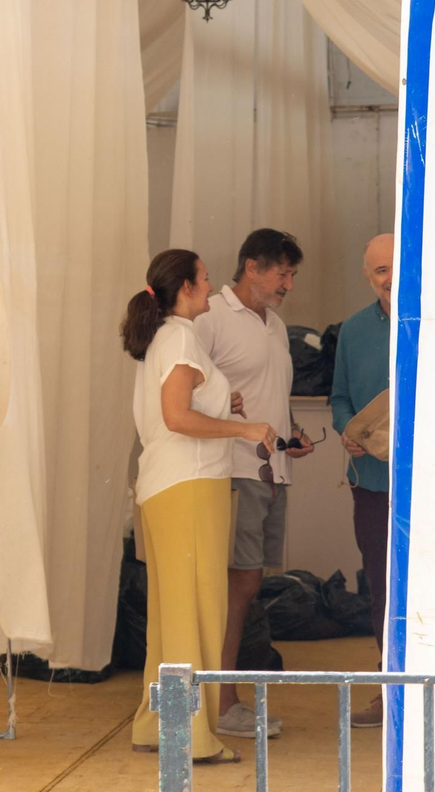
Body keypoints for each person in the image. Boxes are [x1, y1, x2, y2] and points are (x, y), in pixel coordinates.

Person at [125, 249, 276, 764]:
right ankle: (185, 734)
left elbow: (181, 407)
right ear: (185, 288)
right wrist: (244, 427)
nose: (211, 289)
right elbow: (176, 418)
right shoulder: (183, 337)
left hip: (170, 488)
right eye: (206, 280)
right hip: (188, 487)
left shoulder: (165, 338)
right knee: (193, 614)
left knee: (172, 618)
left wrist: (221, 401)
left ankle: (158, 725)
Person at [194, 228, 313, 739]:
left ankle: (223, 698)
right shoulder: (211, 318)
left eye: (292, 275)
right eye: (281, 272)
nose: (288, 284)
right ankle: (221, 703)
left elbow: (268, 394)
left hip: (271, 470)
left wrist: (292, 434)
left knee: (247, 584)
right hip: (232, 470)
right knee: (234, 585)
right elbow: (185, 393)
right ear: (250, 266)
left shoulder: (276, 325)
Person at [329, 232, 393, 729]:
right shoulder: (353, 330)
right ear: (367, 277)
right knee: (381, 585)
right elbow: (339, 397)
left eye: (396, 266)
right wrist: (346, 431)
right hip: (371, 479)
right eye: (380, 271)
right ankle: (390, 689)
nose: (390, 278)